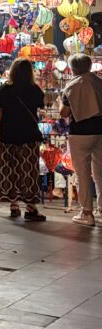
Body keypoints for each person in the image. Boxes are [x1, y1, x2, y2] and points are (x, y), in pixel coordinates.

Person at [0, 58, 46, 222]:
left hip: (8, 135)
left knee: (10, 169)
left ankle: (14, 204)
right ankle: (30, 207)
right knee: (29, 170)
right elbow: (41, 105)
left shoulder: (4, 90)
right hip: (28, 136)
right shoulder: (34, 89)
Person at [60, 53, 102, 227]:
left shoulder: (72, 86)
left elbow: (64, 112)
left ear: (73, 68)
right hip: (101, 131)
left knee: (83, 173)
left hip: (80, 133)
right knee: (100, 173)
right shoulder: (99, 82)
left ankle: (87, 212)